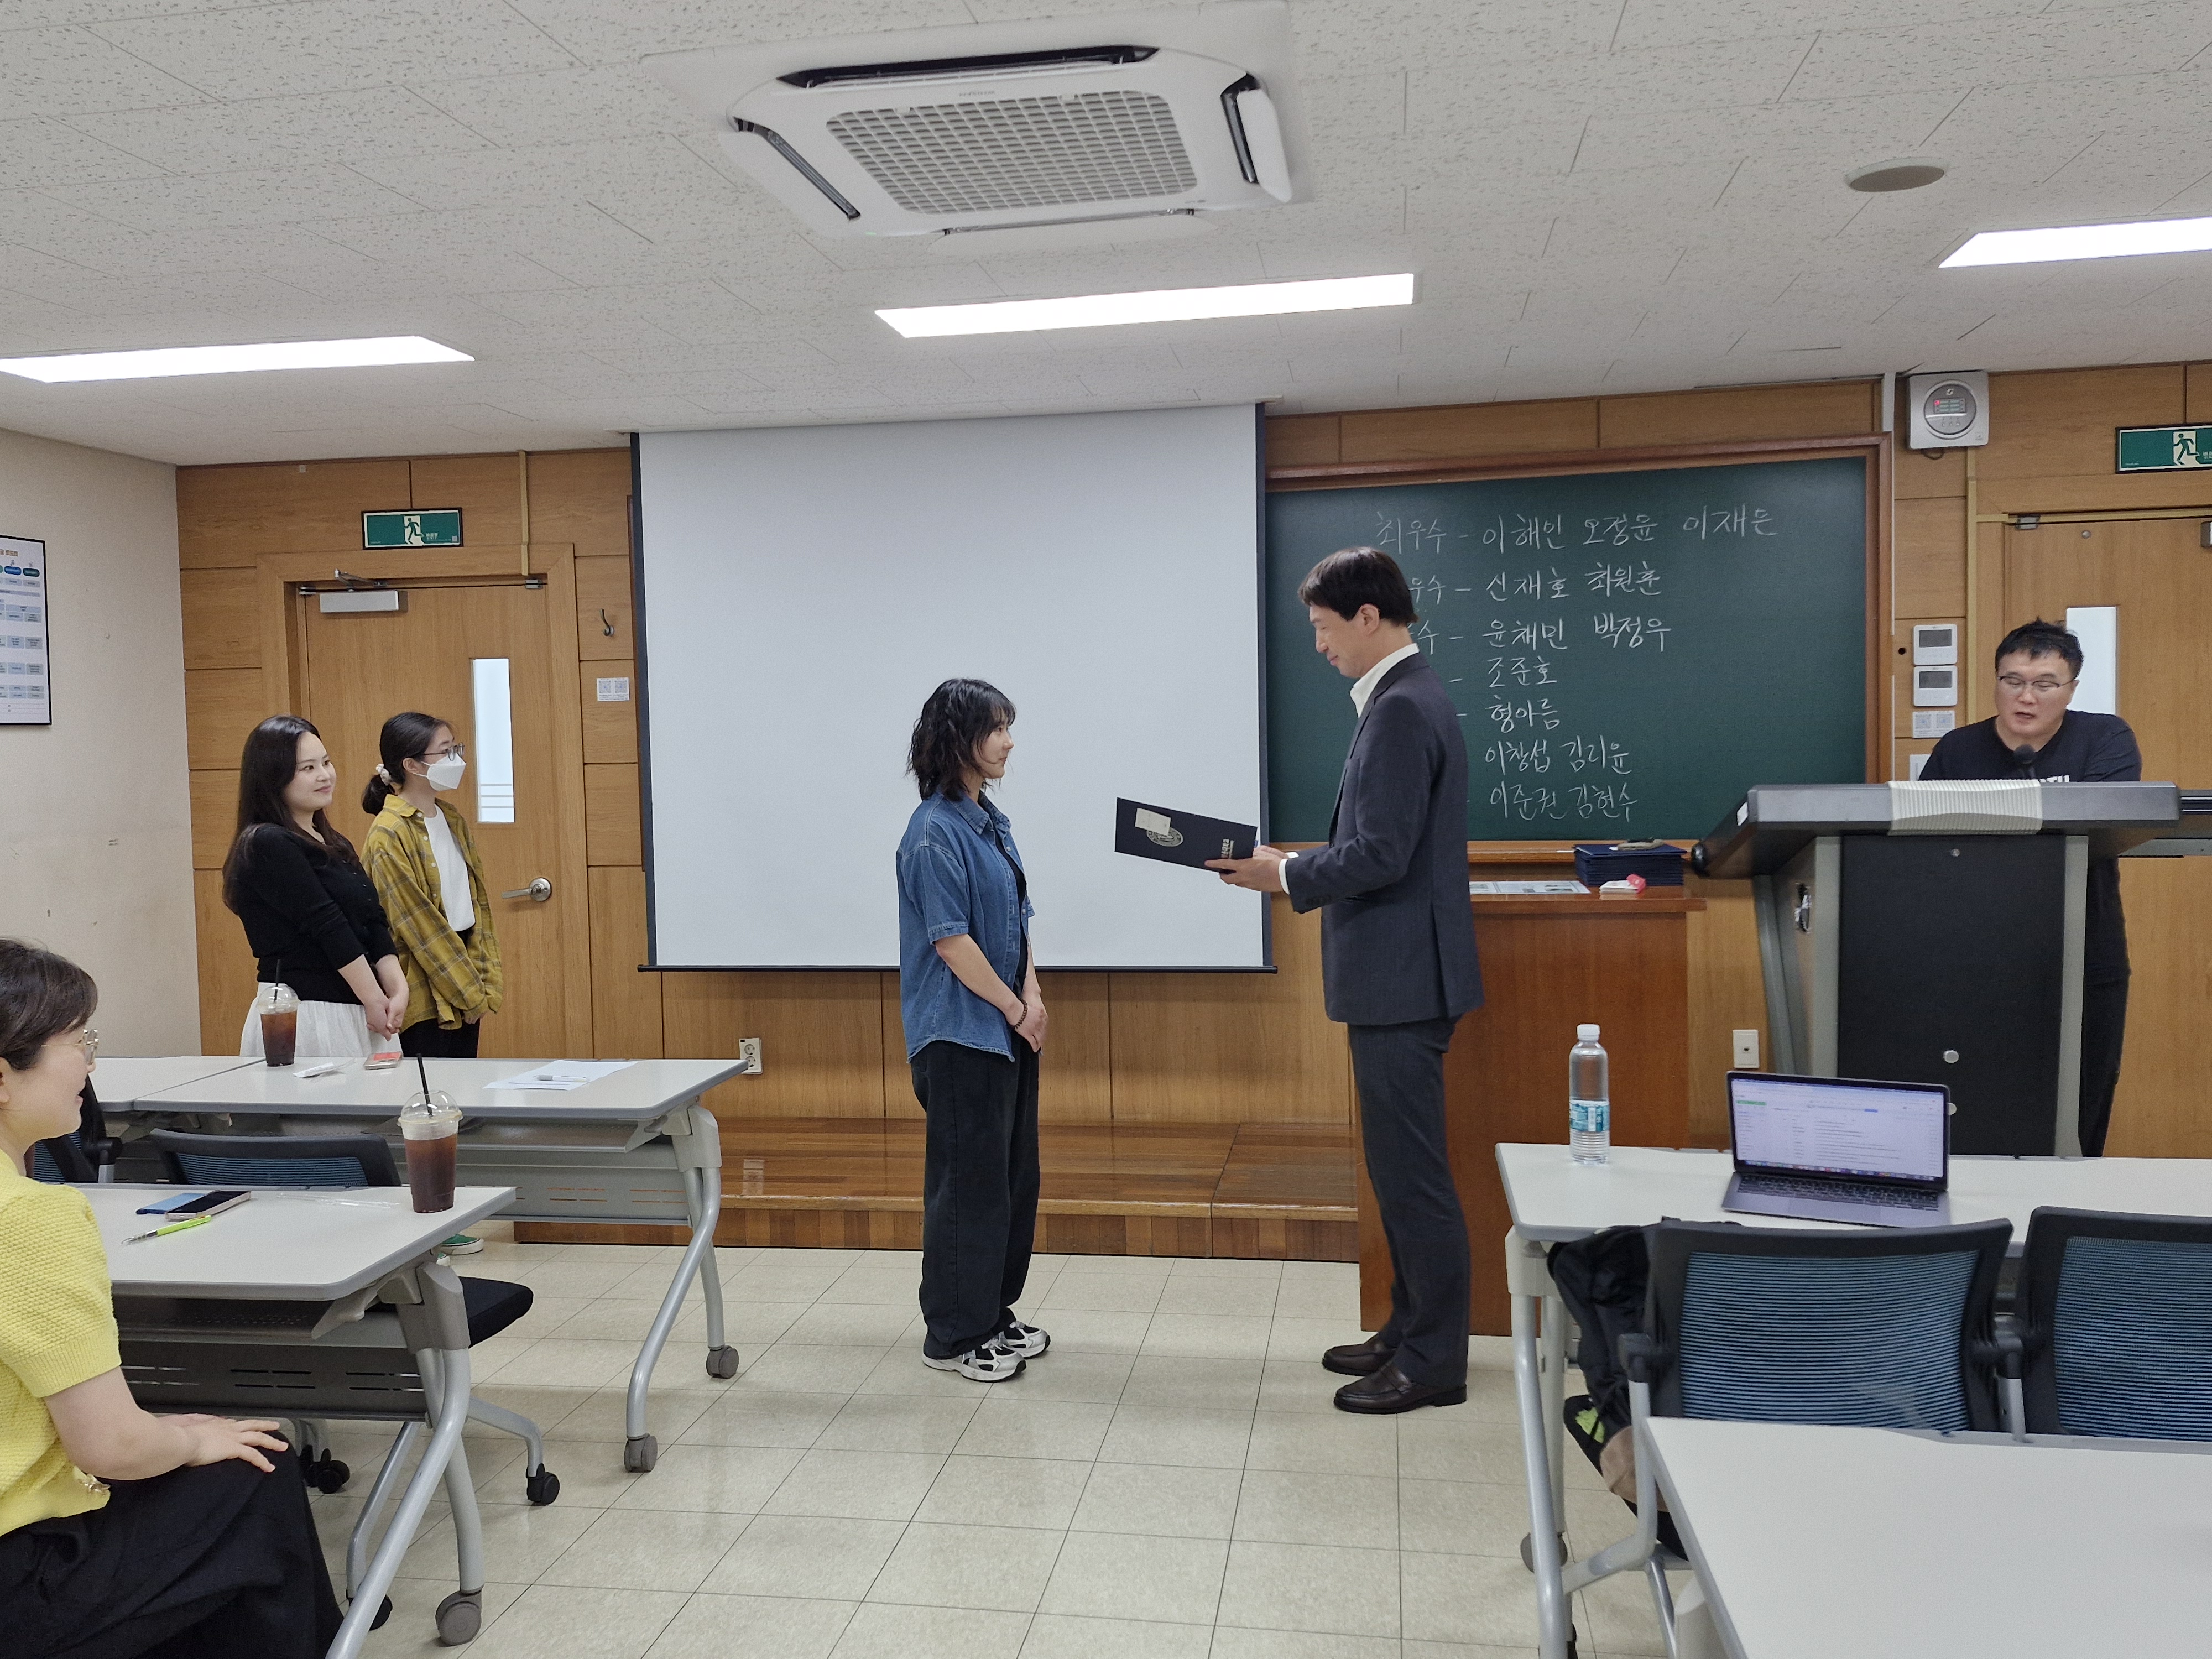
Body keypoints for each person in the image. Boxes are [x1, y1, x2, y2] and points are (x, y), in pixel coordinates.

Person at [0, 938, 343, 1657]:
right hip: (19, 1581)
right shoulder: (29, 1218)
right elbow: (111, 1445)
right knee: (257, 1467)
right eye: (78, 1042)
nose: (91, 1065)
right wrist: (187, 1439)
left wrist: (164, 1436)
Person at [1209, 546, 1483, 1413]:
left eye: (1325, 628)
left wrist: (1284, 874)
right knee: (1397, 1172)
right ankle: (1408, 1330)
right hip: (1401, 978)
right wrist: (1285, 866)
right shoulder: (1405, 698)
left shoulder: (1402, 708)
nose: (1320, 647)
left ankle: (1433, 1362)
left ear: (1369, 617)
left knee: (1414, 1178)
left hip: (1404, 981)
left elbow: (1383, 854)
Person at [1919, 618, 2141, 1156]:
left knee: (2081, 1105)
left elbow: (2105, 828)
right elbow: (1920, 845)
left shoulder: (2104, 739)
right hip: (1978, 958)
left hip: (2084, 952)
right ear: (1995, 681)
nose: (2026, 697)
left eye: (2045, 684)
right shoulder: (1957, 751)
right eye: (2013, 681)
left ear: (2071, 689)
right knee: (1984, 1103)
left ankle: (2070, 1205)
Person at [895, 679, 1051, 1383]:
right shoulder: (933, 832)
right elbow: (951, 941)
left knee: (1012, 1180)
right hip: (960, 1035)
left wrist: (1031, 997)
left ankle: (991, 1312)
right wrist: (1014, 1010)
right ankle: (954, 1334)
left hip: (1007, 1027)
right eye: (996, 728)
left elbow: (1019, 919)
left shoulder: (989, 819)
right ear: (957, 739)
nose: (1009, 742)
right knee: (967, 1188)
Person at [223, 714, 405, 1057]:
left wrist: (397, 989)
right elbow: (327, 926)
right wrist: (374, 998)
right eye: (308, 768)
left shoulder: (334, 841)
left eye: (326, 762)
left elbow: (372, 919)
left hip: (363, 1008)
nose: (324, 775)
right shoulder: (267, 842)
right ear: (273, 777)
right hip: (308, 1014)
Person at [361, 712, 503, 1060]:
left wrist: (483, 980)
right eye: (445, 751)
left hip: (463, 971)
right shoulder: (389, 834)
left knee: (463, 1086)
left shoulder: (451, 818)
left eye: (456, 749)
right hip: (425, 985)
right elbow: (419, 926)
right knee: (430, 1088)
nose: (456, 760)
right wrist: (469, 992)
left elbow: (476, 906)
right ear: (412, 765)